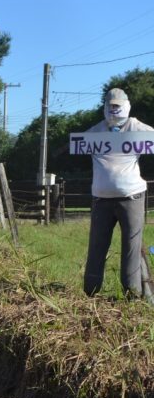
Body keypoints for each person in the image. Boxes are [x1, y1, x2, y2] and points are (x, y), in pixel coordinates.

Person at [83, 88, 154, 298]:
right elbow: (79, 143)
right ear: (105, 106)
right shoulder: (96, 131)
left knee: (131, 248)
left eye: (117, 106)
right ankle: (90, 294)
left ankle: (132, 295)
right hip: (101, 200)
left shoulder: (137, 127)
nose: (113, 110)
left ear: (125, 106)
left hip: (131, 197)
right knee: (96, 245)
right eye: (110, 106)